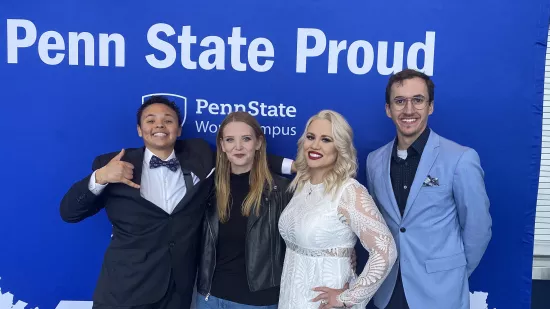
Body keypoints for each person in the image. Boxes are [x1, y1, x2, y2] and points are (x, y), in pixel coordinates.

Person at [59, 96, 290, 309]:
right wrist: (100, 177)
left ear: (178, 129)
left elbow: (242, 153)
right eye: (151, 120)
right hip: (124, 292)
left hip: (177, 296)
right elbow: (70, 212)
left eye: (167, 120)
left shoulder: (199, 154)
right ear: (140, 130)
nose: (159, 125)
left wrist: (295, 166)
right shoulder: (113, 163)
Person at [366, 69, 492, 309]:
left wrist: (453, 274)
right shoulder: (374, 161)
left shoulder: (460, 159)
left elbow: (478, 228)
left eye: (418, 100)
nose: (409, 110)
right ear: (388, 109)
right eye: (400, 101)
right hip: (388, 291)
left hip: (440, 293)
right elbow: (378, 226)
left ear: (430, 106)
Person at [277, 110, 397, 309]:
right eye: (310, 137)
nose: (315, 145)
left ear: (339, 147)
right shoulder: (302, 184)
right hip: (292, 296)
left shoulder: (349, 191)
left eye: (326, 140)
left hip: (325, 302)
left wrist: (347, 298)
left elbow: (385, 251)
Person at [196, 111, 293, 309]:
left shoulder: (281, 190)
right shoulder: (209, 188)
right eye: (230, 140)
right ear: (222, 145)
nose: (238, 147)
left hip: (257, 301)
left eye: (246, 139)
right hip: (210, 297)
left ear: (258, 143)